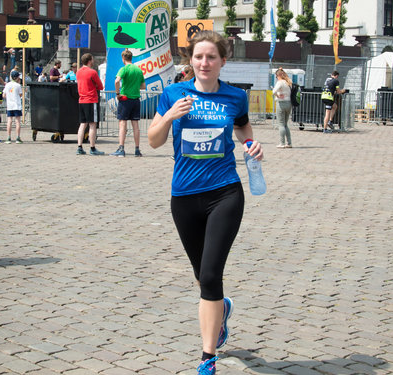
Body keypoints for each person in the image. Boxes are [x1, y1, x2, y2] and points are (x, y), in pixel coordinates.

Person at [148, 30, 263, 375]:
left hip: (225, 193)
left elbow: (243, 129)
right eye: (199, 57)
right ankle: (221, 310)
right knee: (202, 277)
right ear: (190, 61)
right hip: (184, 198)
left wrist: (251, 145)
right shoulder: (173, 94)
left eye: (211, 57)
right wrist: (169, 117)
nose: (204, 63)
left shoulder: (235, 97)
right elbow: (154, 140)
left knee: (211, 275)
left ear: (222, 61)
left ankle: (207, 357)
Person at [110, 50, 146, 157]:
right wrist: (134, 87)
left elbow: (117, 81)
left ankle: (121, 148)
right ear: (132, 58)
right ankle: (137, 149)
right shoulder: (139, 70)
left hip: (125, 99)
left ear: (123, 58)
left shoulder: (124, 69)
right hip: (136, 100)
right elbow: (143, 86)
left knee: (122, 124)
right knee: (135, 125)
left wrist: (117, 93)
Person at [75, 53, 104, 155]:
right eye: (92, 59)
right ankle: (92, 148)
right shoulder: (92, 72)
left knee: (82, 124)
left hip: (82, 100)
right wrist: (94, 85)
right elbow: (100, 86)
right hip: (91, 100)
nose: (93, 61)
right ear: (89, 61)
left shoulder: (78, 72)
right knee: (92, 125)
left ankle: (79, 146)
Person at [273, 67, 293, 148]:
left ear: (278, 75)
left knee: (281, 124)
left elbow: (273, 91)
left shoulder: (280, 82)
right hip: (289, 103)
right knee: (285, 124)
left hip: (281, 103)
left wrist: (277, 95)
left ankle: (282, 143)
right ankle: (289, 143)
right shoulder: (288, 82)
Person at [3, 70, 23, 144]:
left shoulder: (7, 85)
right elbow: (20, 94)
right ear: (17, 77)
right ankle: (18, 137)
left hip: (10, 105)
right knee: (17, 121)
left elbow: (4, 95)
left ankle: (8, 137)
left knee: (9, 121)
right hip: (17, 105)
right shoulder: (18, 85)